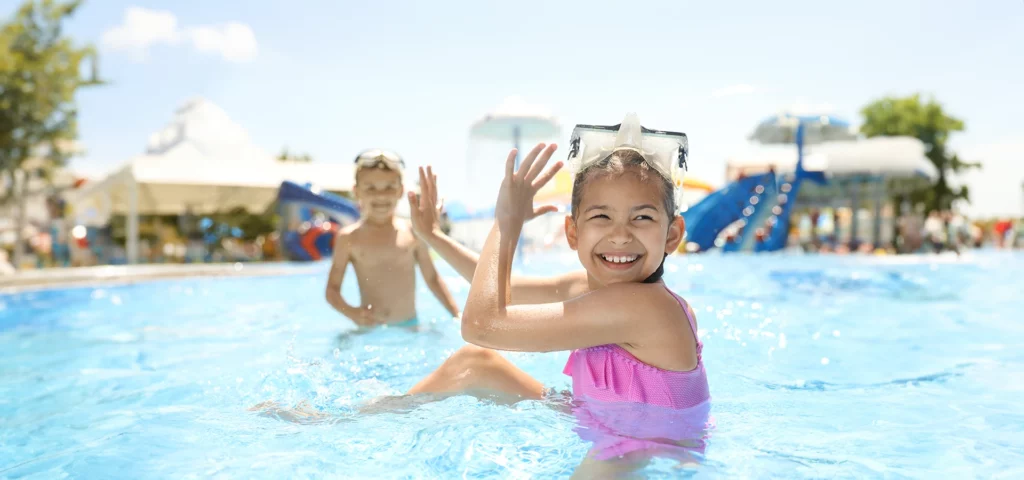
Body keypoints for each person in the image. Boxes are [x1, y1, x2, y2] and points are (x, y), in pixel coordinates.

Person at [324, 149, 460, 328]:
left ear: (401, 191)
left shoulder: (413, 231)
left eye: (389, 187)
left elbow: (432, 279)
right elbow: (332, 291)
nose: (381, 195)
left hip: (410, 327)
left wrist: (457, 315)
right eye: (370, 187)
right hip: (370, 330)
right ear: (356, 192)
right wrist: (352, 313)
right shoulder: (349, 238)